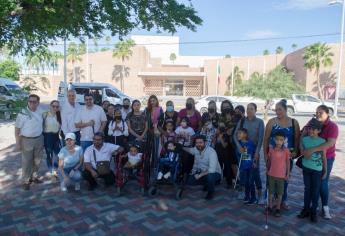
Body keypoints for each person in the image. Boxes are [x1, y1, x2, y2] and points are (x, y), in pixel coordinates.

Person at [301, 105, 338, 219]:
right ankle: (310, 208)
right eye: (316, 112)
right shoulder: (311, 123)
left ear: (327, 114)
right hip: (309, 162)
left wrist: (311, 150)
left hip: (326, 157)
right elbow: (302, 135)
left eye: (320, 112)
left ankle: (325, 207)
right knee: (309, 187)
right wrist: (303, 150)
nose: (317, 114)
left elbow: (330, 143)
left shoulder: (332, 126)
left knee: (322, 183)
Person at [263, 99, 300, 210]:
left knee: (284, 178)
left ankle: (282, 200)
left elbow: (297, 139)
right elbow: (266, 139)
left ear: (286, 109)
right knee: (270, 178)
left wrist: (296, 151)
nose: (277, 112)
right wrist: (265, 155)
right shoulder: (272, 122)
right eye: (276, 110)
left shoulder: (294, 122)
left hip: (287, 157)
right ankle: (269, 201)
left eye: (280, 109)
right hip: (273, 156)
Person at [233, 103, 265, 205]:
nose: (249, 110)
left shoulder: (260, 122)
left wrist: (256, 153)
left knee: (255, 173)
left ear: (255, 110)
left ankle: (259, 194)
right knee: (243, 171)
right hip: (242, 152)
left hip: (253, 152)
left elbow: (260, 139)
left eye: (251, 109)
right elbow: (235, 135)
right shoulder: (242, 120)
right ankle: (244, 192)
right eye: (248, 109)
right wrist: (239, 147)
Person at [298, 118, 327, 223]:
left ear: (319, 131)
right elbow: (302, 152)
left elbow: (324, 157)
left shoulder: (323, 142)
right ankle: (306, 209)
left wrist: (326, 170)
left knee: (315, 191)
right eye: (310, 129)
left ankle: (313, 211)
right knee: (307, 189)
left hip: (317, 170)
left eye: (314, 129)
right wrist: (302, 144)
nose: (311, 131)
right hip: (306, 168)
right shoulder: (305, 140)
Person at [15, 94, 44, 190]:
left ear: (38, 103)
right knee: (27, 162)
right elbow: (17, 129)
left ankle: (34, 176)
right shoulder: (23, 113)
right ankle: (26, 181)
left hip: (39, 139)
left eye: (34, 102)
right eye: (30, 101)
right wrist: (18, 143)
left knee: (38, 160)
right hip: (26, 140)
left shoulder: (41, 112)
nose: (31, 103)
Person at [184, 135, 222, 200]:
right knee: (189, 181)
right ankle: (207, 183)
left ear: (205, 143)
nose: (198, 144)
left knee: (210, 176)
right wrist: (180, 147)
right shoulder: (196, 149)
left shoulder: (211, 152)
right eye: (197, 143)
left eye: (200, 142)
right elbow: (190, 150)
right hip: (201, 172)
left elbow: (211, 170)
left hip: (215, 173)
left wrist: (200, 175)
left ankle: (211, 191)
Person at [266, 131, 291, 217]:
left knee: (280, 193)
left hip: (281, 176)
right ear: (274, 139)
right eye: (277, 139)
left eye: (281, 140)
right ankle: (269, 206)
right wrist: (267, 169)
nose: (279, 141)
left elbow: (288, 162)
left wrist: (287, 174)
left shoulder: (286, 151)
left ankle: (278, 208)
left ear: (284, 140)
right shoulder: (271, 149)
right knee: (271, 192)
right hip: (271, 175)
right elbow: (269, 161)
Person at [216, 100, 238, 187]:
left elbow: (233, 129)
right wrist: (225, 131)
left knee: (232, 161)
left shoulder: (235, 116)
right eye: (224, 107)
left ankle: (233, 179)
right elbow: (221, 129)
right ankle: (225, 179)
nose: (225, 108)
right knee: (224, 159)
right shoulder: (221, 116)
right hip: (223, 140)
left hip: (233, 141)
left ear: (230, 106)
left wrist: (227, 129)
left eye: (227, 106)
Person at [236, 128, 256, 205]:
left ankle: (253, 198)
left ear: (245, 134)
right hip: (243, 167)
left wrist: (244, 151)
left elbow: (252, 154)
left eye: (240, 133)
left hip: (250, 166)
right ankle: (247, 196)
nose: (238, 135)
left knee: (250, 182)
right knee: (246, 182)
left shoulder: (250, 143)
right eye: (238, 133)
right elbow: (238, 155)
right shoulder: (239, 144)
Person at [42, 100, 62, 177]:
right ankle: (51, 169)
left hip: (56, 136)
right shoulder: (45, 114)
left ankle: (55, 168)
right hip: (47, 136)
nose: (55, 108)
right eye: (53, 106)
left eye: (57, 106)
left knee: (58, 154)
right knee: (48, 154)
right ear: (50, 106)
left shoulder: (59, 115)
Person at [144, 95, 164, 164]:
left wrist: (157, 129)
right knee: (149, 148)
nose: (152, 102)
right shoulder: (146, 110)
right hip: (148, 131)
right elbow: (145, 120)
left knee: (156, 148)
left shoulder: (160, 109)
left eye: (154, 100)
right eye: (151, 101)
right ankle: (148, 164)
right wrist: (149, 129)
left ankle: (155, 163)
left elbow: (162, 121)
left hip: (157, 132)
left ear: (156, 101)